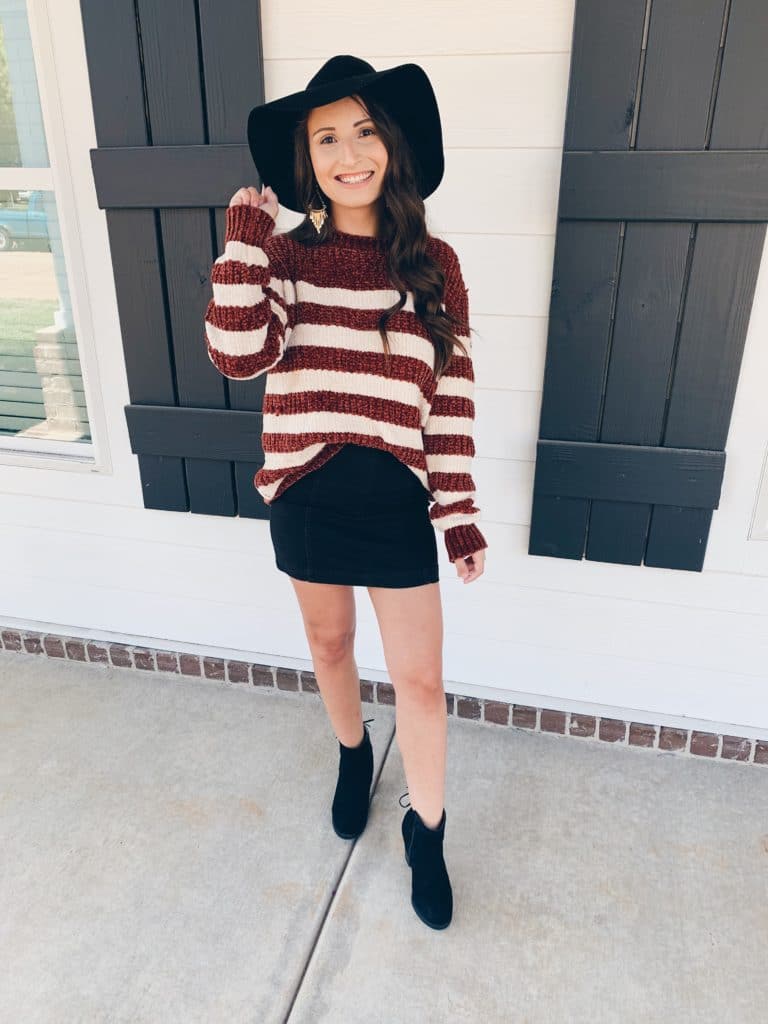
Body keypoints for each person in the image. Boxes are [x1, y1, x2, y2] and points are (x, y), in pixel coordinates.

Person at [204, 55, 488, 930]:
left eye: (364, 130)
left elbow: (451, 400)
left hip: (397, 500)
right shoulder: (284, 253)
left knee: (424, 681)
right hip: (307, 491)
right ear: (307, 159)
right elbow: (237, 353)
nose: (348, 151)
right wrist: (245, 245)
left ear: (392, 147)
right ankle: (351, 752)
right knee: (331, 650)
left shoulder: (434, 263)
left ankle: (427, 831)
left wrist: (461, 512)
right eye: (327, 136)